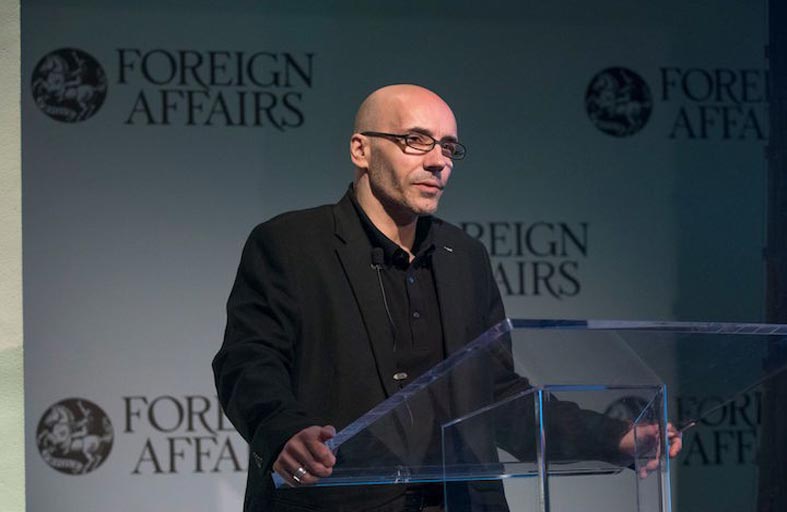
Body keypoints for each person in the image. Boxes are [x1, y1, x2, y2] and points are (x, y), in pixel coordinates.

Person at [213, 84, 681, 512]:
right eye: (416, 140)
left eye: (448, 147)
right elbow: (248, 363)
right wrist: (283, 431)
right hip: (338, 502)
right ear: (361, 150)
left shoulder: (465, 257)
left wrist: (614, 438)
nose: (438, 161)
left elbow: (500, 397)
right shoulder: (292, 244)